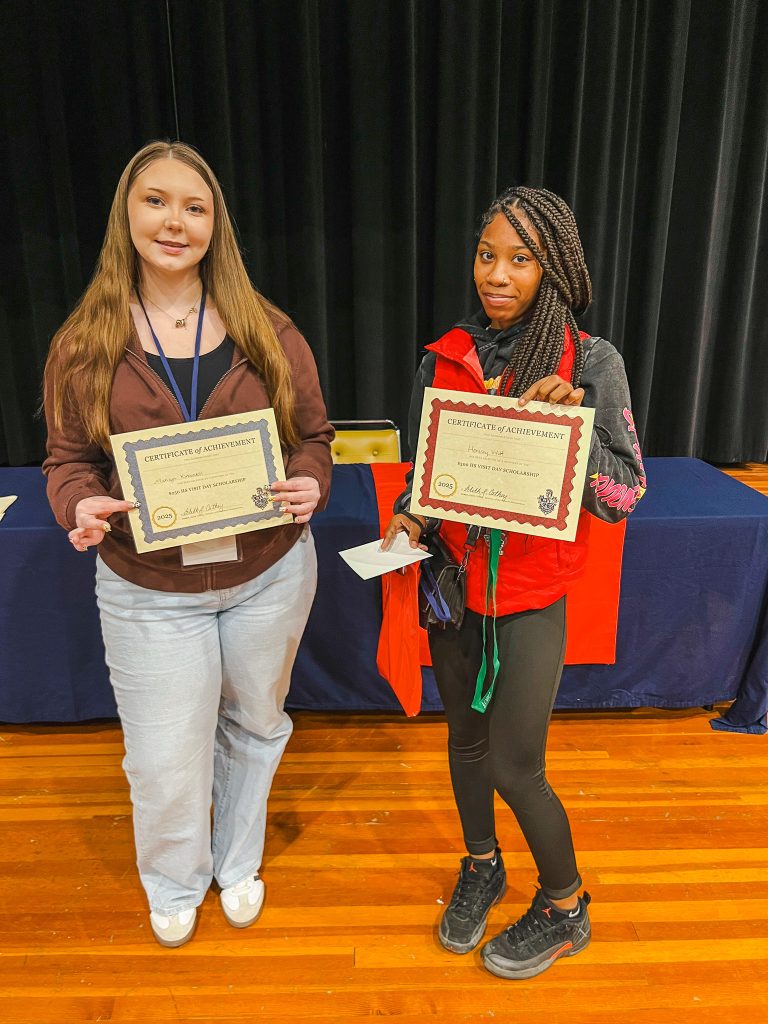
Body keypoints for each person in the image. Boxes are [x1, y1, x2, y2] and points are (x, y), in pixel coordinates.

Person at [43, 141, 333, 947]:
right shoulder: (85, 342)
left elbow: (315, 438)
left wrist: (313, 480)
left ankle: (236, 861)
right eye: (156, 201)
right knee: (165, 756)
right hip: (147, 587)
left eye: (194, 207)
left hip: (268, 574)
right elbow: (67, 461)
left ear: (216, 226)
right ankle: (173, 878)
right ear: (126, 216)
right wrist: (81, 505)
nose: (175, 221)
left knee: (255, 724)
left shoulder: (266, 328)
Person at [382, 186, 646, 980]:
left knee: (514, 766)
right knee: (463, 744)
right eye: (487, 254)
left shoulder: (590, 362)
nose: (496, 274)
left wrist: (571, 434)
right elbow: (431, 477)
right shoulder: (447, 354)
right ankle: (481, 863)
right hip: (455, 592)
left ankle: (566, 907)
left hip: (531, 601)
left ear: (554, 268)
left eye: (520, 259)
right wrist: (408, 520)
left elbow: (624, 493)